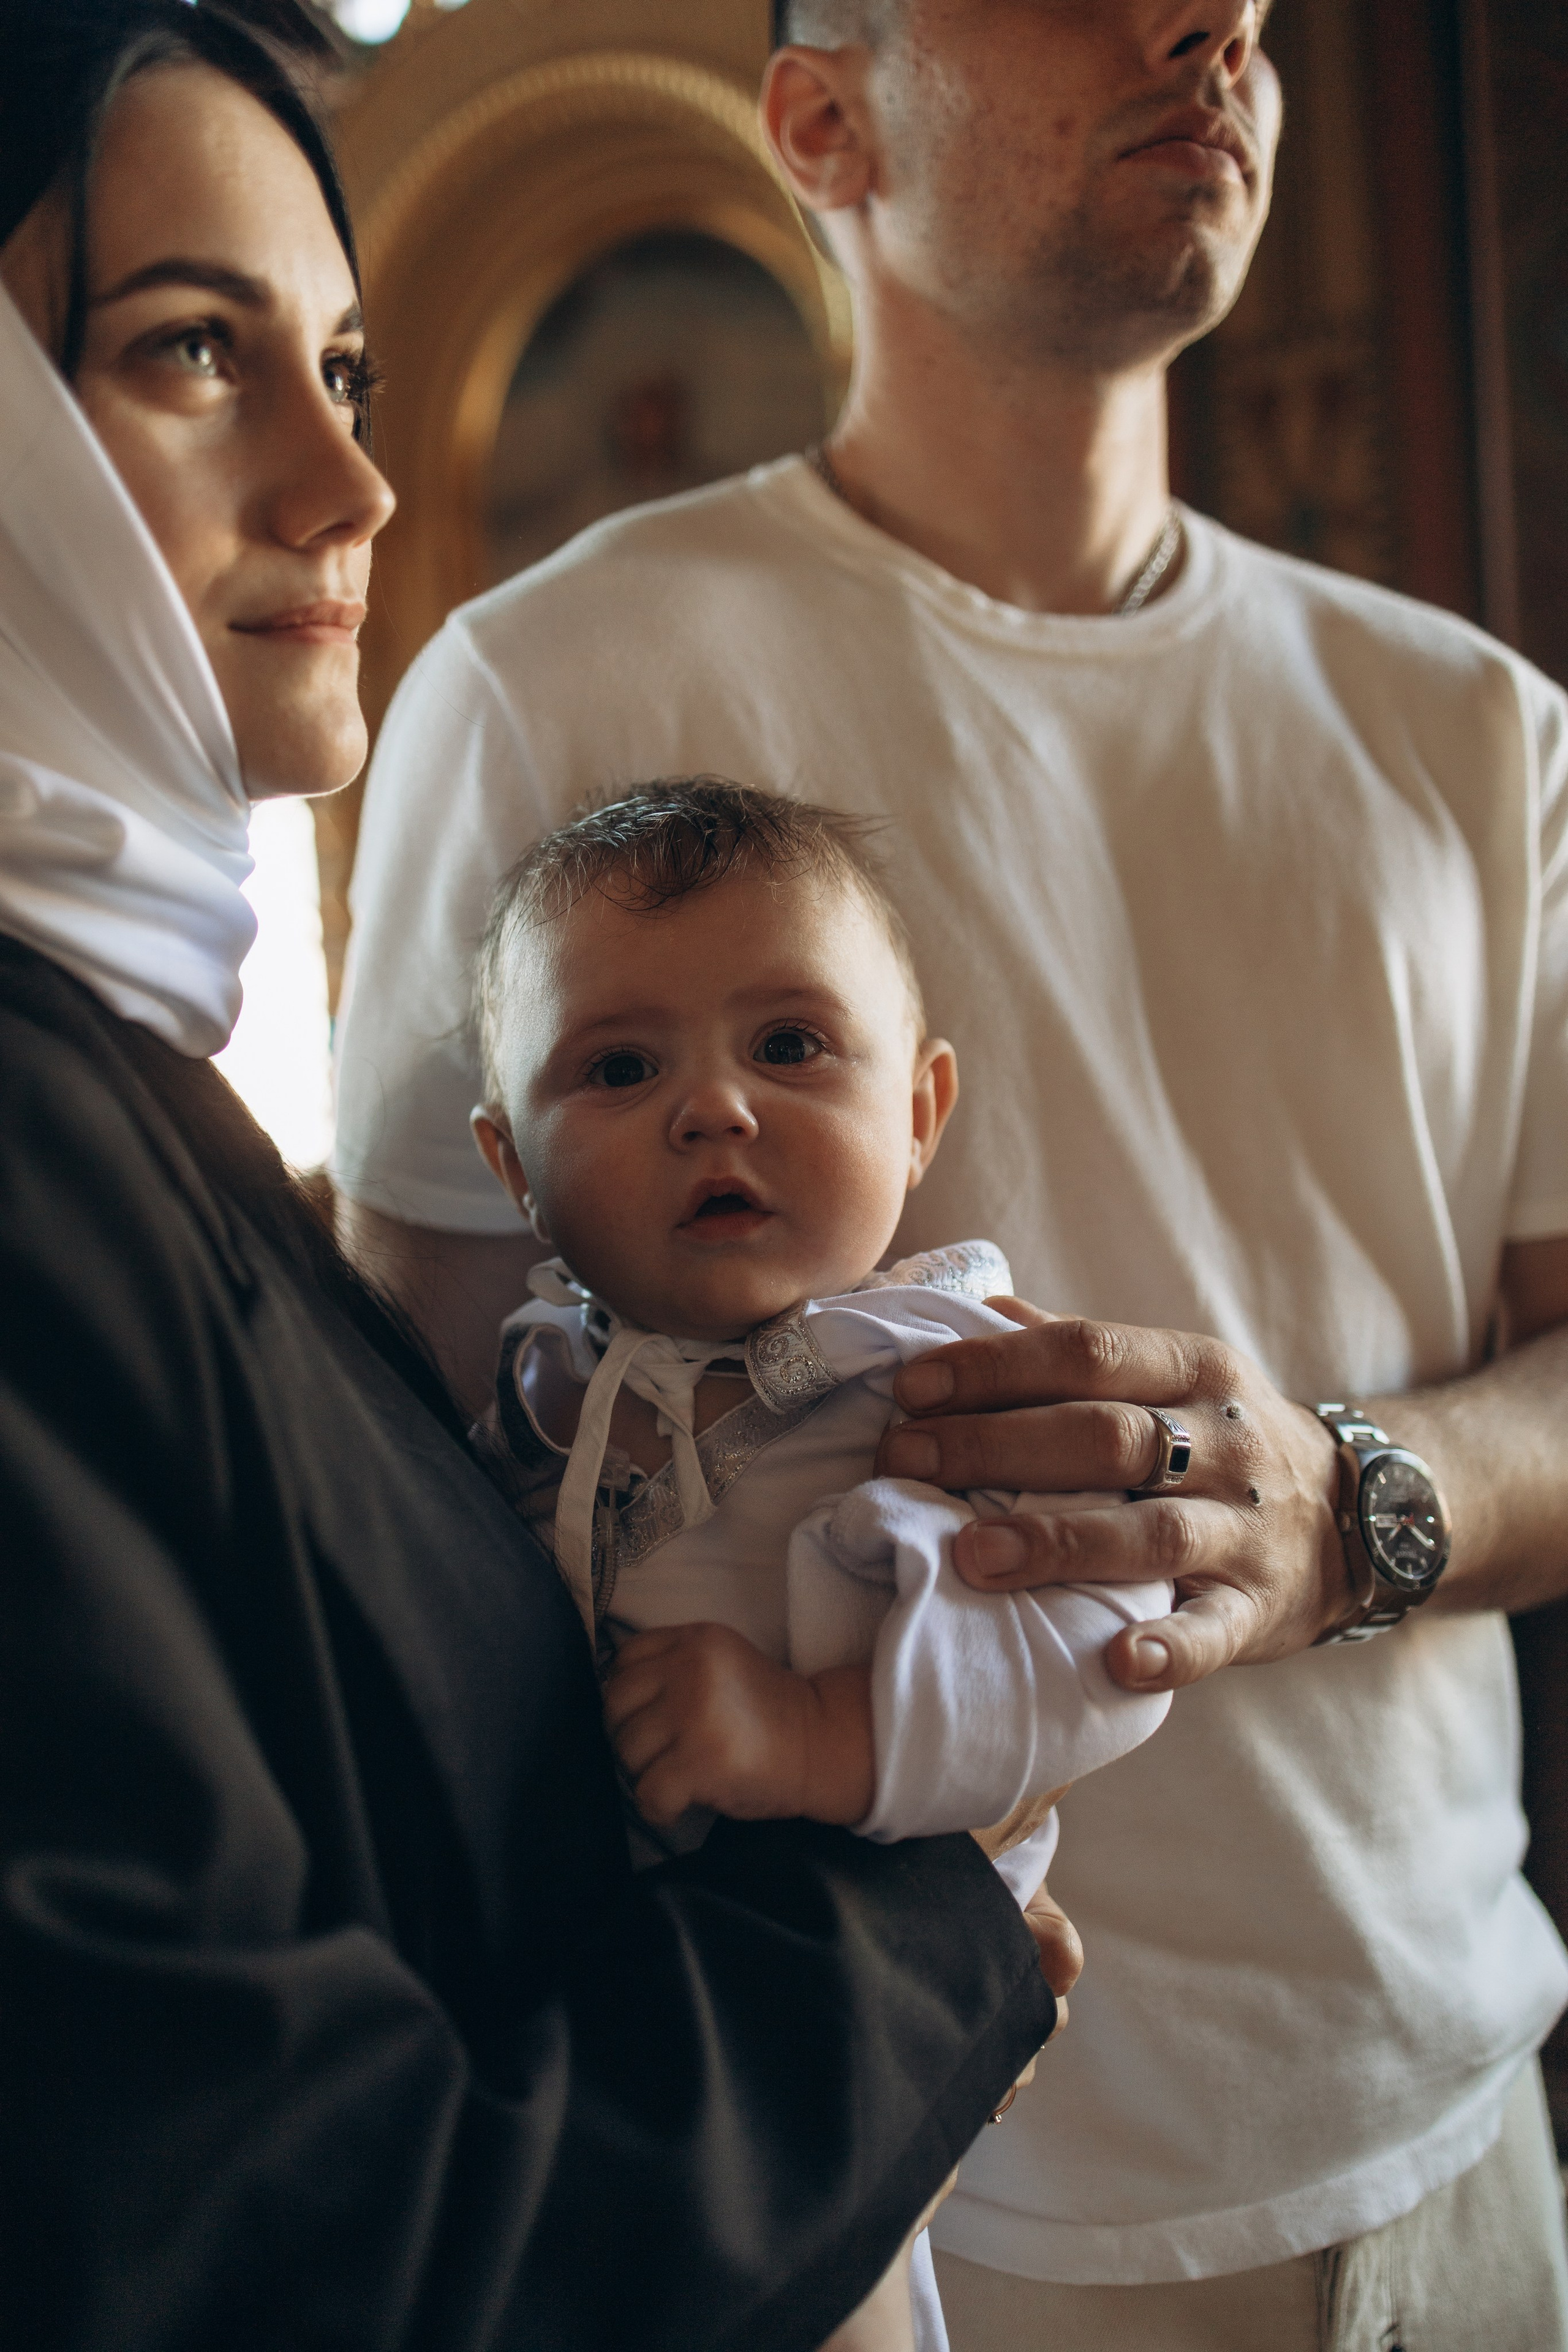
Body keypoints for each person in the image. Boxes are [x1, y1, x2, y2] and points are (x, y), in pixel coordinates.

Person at [332, 1, 1568, 2342]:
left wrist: (1345, 1502)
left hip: (1456, 2144)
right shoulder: (541, 690)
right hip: (880, 2205)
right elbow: (412, 1498)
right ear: (824, 119)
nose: (1209, 26)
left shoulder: (1476, 729)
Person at [0, 8, 1068, 2347]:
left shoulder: (122, 1071)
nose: (351, 487)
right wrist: (911, 1937)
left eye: (349, 372)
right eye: (193, 350)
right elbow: (271, 2240)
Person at [467, 777, 1178, 2350]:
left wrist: (809, 1733)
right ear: (513, 1169)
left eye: (788, 1045)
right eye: (619, 1067)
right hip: (608, 2022)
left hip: (846, 2021)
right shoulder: (547, 1388)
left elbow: (1101, 1644)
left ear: (918, 1113)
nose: (712, 1109)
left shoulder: (940, 1369)